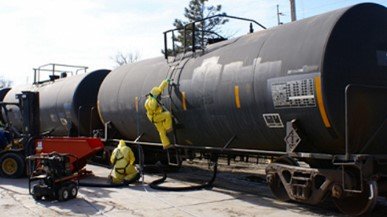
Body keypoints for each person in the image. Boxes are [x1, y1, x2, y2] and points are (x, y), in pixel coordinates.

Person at [144, 79, 173, 149]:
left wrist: (166, 81)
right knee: (167, 115)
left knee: (161, 131)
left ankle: (166, 144)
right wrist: (154, 99)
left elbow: (160, 88)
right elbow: (153, 107)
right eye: (159, 96)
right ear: (155, 96)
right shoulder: (149, 101)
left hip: (156, 116)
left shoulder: (154, 94)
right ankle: (168, 128)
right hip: (155, 117)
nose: (160, 97)